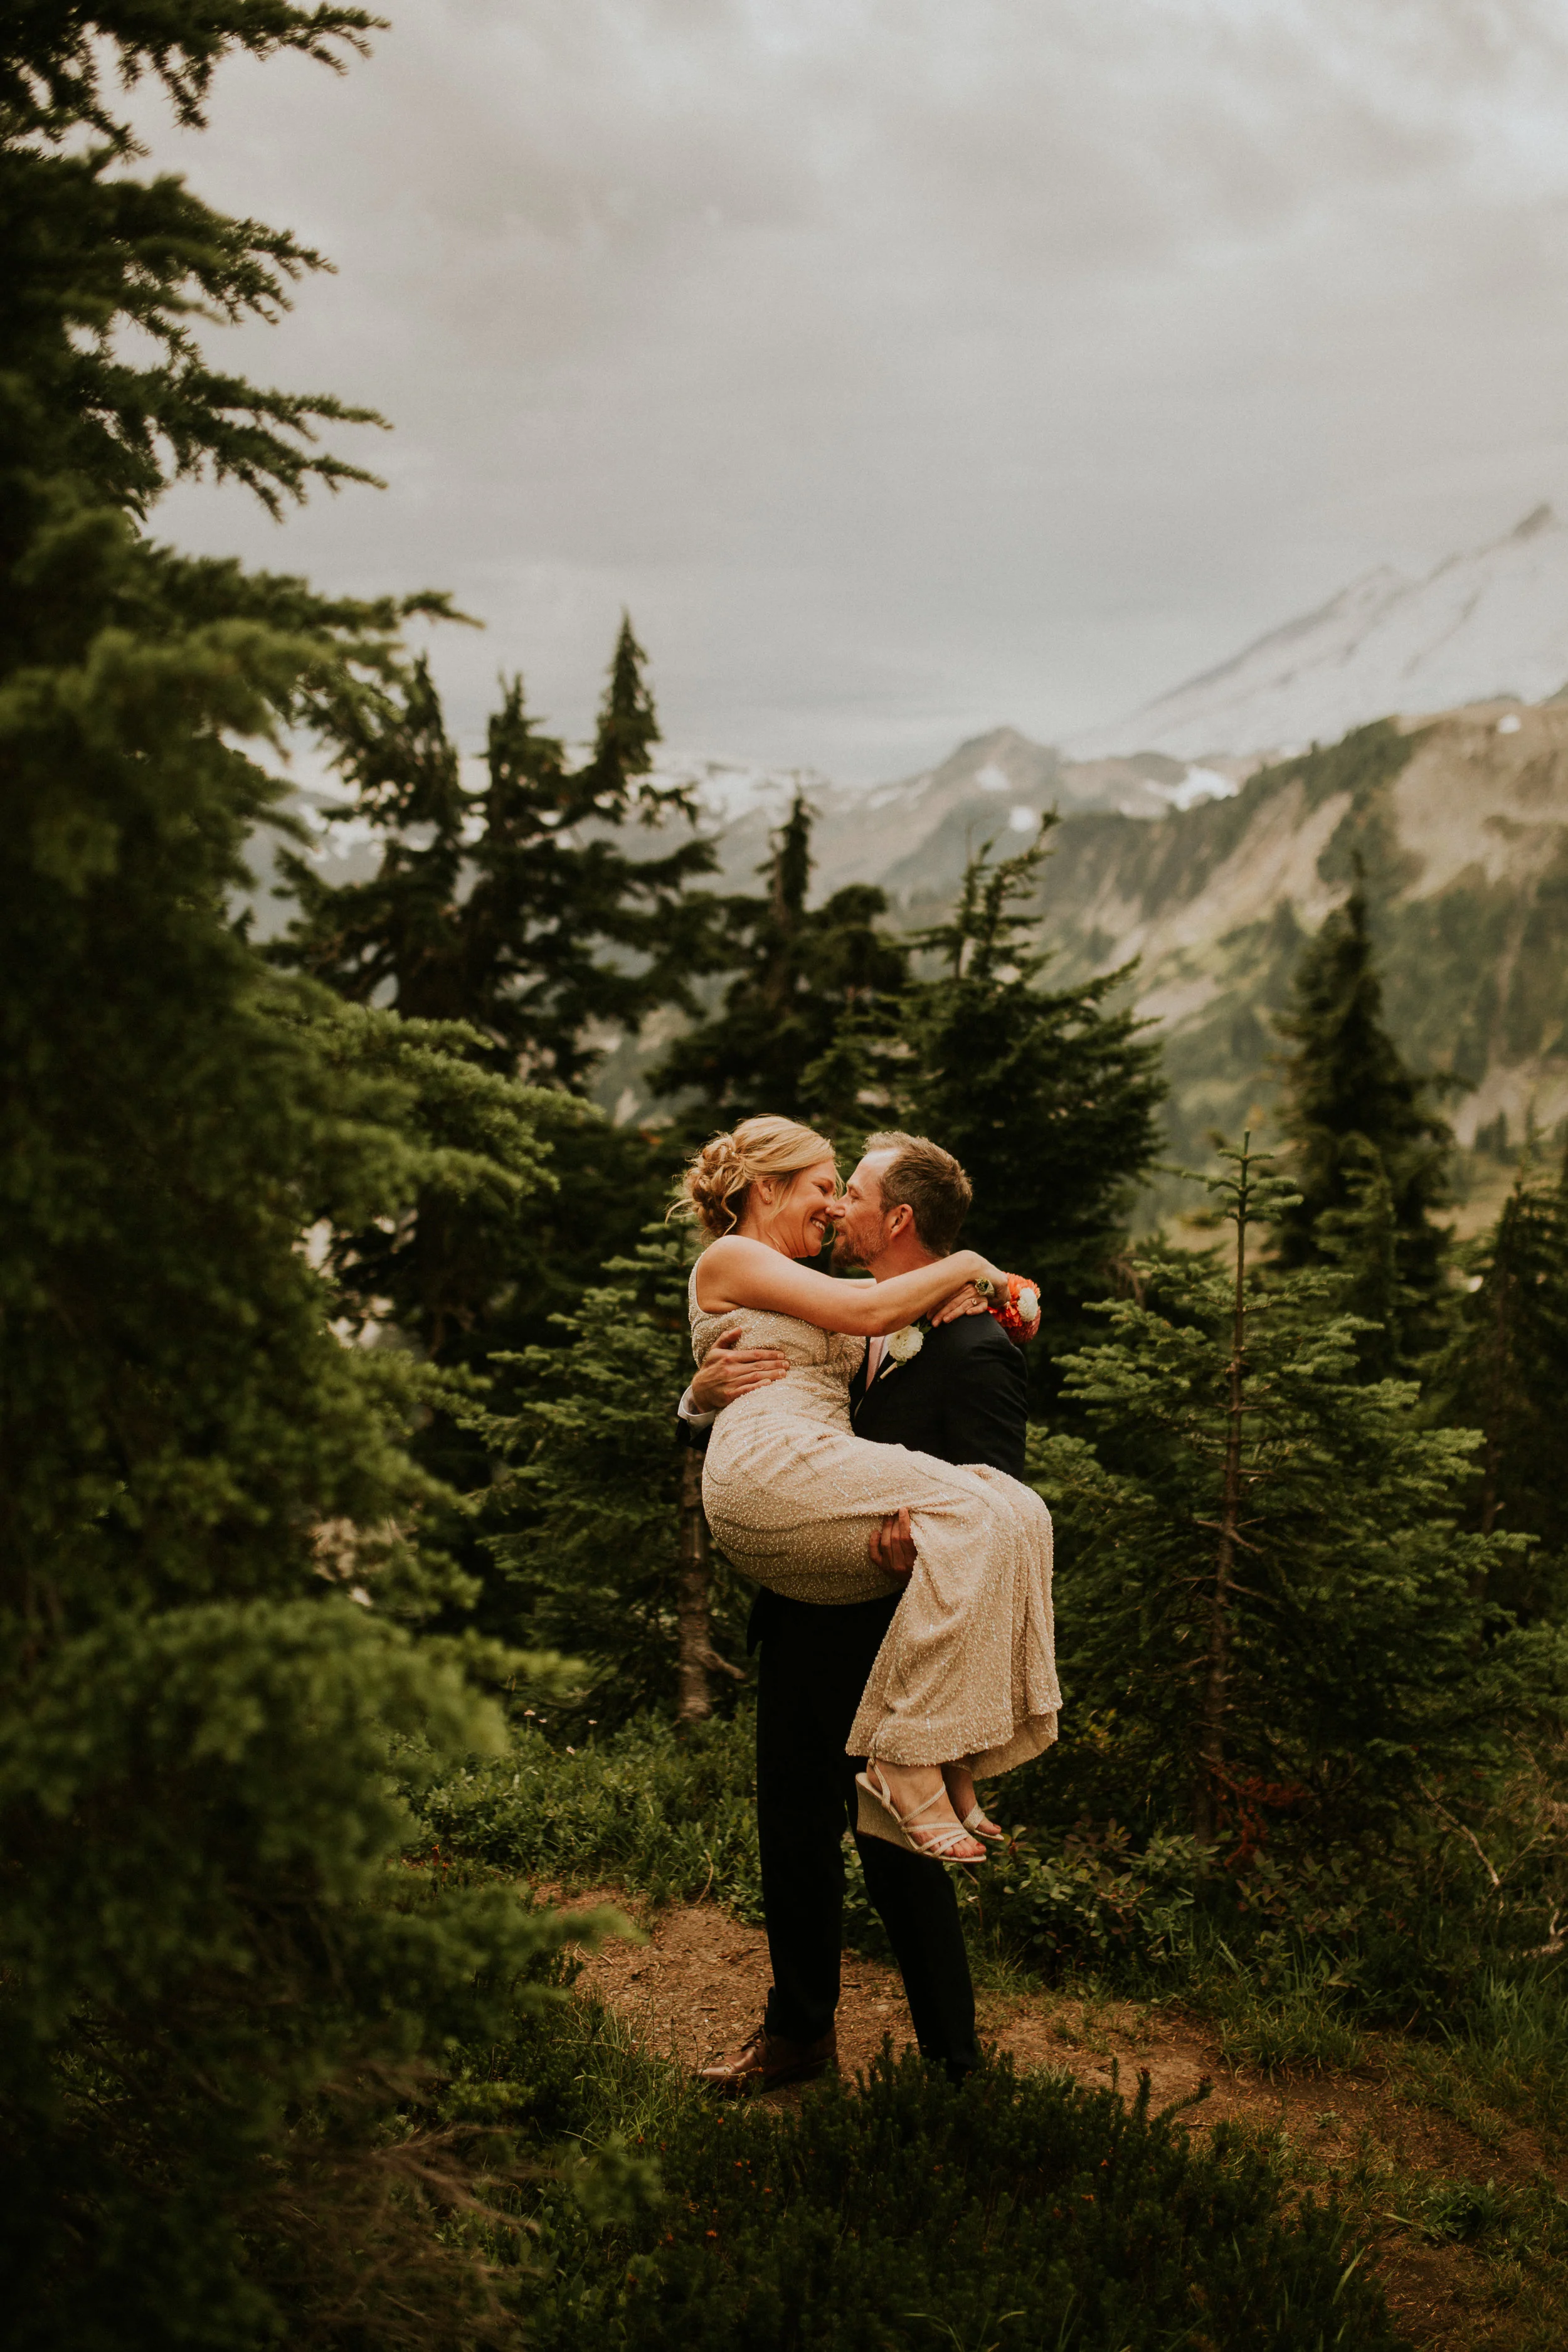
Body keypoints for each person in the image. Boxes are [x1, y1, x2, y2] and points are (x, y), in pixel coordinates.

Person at [676, 1118, 1058, 2094]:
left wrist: (920, 1529)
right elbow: (811, 1363)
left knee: (901, 1862)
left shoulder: (969, 1344)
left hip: (890, 1620)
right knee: (791, 1837)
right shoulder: (823, 1290)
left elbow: (986, 1478)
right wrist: (694, 1400)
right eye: (821, 1183)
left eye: (849, 1189)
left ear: (896, 1216)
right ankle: (797, 2037)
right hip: (805, 1602)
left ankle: (953, 2071)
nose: (835, 1203)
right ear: (768, 1186)